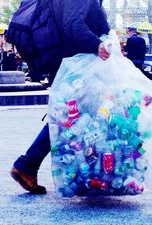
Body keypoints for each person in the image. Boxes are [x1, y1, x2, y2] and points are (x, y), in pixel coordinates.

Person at [10, 0, 111, 194]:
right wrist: (97, 45)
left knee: (75, 114)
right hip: (77, 64)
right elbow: (73, 24)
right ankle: (29, 165)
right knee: (73, 114)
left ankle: (30, 165)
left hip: (73, 63)